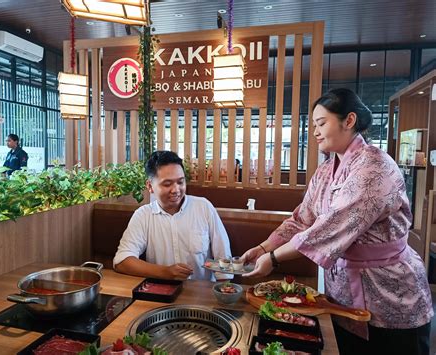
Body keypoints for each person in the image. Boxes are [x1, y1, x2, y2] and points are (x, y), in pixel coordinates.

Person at [241, 88, 433, 355]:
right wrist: (263, 248)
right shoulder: (325, 170)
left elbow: (328, 228)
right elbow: (302, 218)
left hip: (390, 293)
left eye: (321, 123)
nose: (315, 132)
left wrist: (273, 259)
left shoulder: (374, 168)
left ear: (349, 120)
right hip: (341, 295)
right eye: (313, 126)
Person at [113, 150, 232, 281]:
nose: (176, 190)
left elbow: (223, 259)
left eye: (180, 182)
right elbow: (122, 261)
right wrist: (165, 272)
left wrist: (221, 295)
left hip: (201, 294)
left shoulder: (203, 207)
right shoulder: (143, 215)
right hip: (160, 293)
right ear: (150, 186)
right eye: (167, 184)